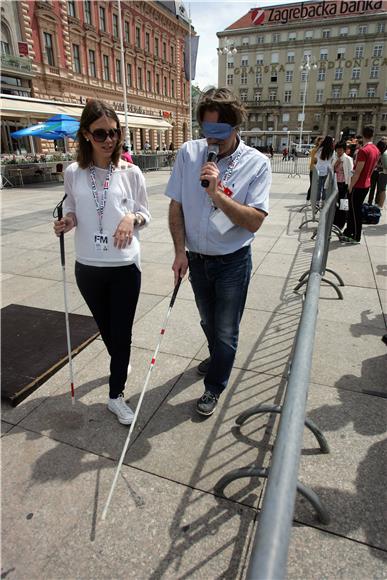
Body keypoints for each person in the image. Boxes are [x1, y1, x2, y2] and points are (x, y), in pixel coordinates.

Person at [165, 87, 271, 417]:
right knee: (207, 320)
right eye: (206, 130)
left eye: (219, 131)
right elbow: (176, 204)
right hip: (196, 258)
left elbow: (254, 221)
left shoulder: (257, 163)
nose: (212, 140)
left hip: (232, 261)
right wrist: (179, 251)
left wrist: (217, 195)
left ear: (235, 125)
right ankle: (217, 355)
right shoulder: (188, 153)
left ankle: (214, 385)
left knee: (226, 329)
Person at [53, 99, 151, 425]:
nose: (109, 140)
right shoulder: (73, 172)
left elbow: (145, 214)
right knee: (107, 329)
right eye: (100, 134)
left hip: (124, 266)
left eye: (114, 132)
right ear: (85, 135)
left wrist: (131, 218)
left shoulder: (130, 172)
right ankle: (120, 362)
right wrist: (67, 221)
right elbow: (72, 209)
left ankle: (115, 395)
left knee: (121, 335)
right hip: (88, 266)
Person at [341, 126, 380, 244]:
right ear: (372, 134)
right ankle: (350, 231)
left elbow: (357, 172)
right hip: (366, 183)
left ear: (362, 134)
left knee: (354, 212)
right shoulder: (375, 149)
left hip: (359, 185)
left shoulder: (364, 150)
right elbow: (373, 168)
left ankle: (355, 235)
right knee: (355, 210)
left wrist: (350, 186)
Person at [332, 141, 353, 230]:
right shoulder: (335, 158)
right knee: (335, 203)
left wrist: (350, 185)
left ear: (344, 150)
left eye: (340, 149)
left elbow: (351, 173)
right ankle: (335, 221)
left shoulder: (348, 159)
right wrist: (336, 164)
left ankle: (341, 223)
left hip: (344, 184)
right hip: (335, 183)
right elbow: (331, 169)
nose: (339, 151)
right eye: (337, 149)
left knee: (343, 204)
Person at [367, 140, 387, 207]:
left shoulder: (376, 153)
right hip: (381, 173)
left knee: (372, 188)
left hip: (375, 172)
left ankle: (369, 202)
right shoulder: (384, 154)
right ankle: (376, 202)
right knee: (379, 189)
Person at [315, 136, 334, 206]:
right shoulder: (332, 150)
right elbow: (332, 160)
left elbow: (316, 156)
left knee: (318, 187)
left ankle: (317, 201)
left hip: (319, 169)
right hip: (327, 170)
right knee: (325, 187)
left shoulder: (320, 149)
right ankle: (323, 201)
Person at [306, 136, 323, 201]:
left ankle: (315, 200)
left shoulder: (322, 149)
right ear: (318, 142)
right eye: (320, 141)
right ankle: (308, 199)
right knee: (312, 185)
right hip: (313, 169)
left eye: (322, 142)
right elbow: (314, 159)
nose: (322, 143)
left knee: (318, 187)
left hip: (320, 170)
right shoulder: (314, 149)